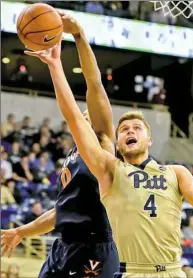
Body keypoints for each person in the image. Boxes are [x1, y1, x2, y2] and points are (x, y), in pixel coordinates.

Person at [7, 16, 193, 278]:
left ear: (149, 139)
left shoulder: (161, 169)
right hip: (77, 248)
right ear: (118, 141)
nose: (129, 130)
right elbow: (72, 115)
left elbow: (93, 86)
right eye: (124, 129)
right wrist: (55, 66)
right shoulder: (103, 165)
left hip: (115, 253)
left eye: (137, 128)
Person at [1, 14, 119, 278]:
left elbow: (94, 83)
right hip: (63, 245)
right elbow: (61, 213)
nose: (85, 113)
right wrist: (21, 231)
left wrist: (78, 36)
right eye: (84, 113)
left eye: (89, 112)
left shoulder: (103, 144)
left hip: (94, 249)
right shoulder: (72, 156)